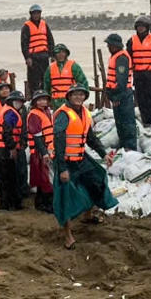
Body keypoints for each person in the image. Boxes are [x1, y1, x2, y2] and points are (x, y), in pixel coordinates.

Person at [53, 84, 119, 249]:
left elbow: (90, 138)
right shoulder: (63, 115)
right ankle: (67, 235)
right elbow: (58, 143)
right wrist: (62, 169)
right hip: (65, 160)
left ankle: (87, 215)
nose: (78, 97)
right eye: (75, 94)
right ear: (69, 96)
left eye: (81, 94)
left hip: (81, 158)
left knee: (97, 179)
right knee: (65, 197)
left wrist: (103, 154)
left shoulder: (84, 113)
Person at [0, 90, 26, 211]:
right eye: (17, 102)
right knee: (9, 178)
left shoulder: (7, 111)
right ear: (11, 102)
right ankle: (11, 203)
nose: (19, 104)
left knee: (4, 178)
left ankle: (6, 203)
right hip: (4, 151)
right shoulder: (11, 113)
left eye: (20, 102)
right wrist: (13, 147)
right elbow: (7, 132)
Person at [127, 16, 151, 136]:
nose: (140, 28)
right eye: (138, 26)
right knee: (141, 100)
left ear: (147, 27)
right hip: (138, 75)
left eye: (143, 26)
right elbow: (128, 58)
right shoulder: (131, 40)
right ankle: (146, 123)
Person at [25, 90, 56, 213]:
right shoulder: (34, 115)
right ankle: (45, 204)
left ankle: (40, 202)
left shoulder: (46, 112)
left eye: (45, 99)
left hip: (48, 149)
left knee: (44, 178)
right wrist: (44, 153)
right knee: (45, 179)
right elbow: (37, 137)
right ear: (35, 102)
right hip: (40, 151)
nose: (43, 101)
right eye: (39, 99)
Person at [105, 33, 137, 150]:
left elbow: (122, 80)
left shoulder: (121, 58)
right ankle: (123, 144)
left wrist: (117, 97)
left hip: (123, 94)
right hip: (117, 93)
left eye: (109, 45)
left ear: (115, 45)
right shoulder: (116, 56)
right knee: (119, 122)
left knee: (127, 121)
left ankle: (130, 146)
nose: (108, 47)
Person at [21, 4, 54, 96]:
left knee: (45, 78)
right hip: (33, 57)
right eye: (34, 13)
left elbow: (50, 40)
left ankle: (45, 97)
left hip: (44, 56)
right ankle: (34, 98)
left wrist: (52, 55)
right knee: (33, 81)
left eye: (38, 13)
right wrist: (27, 57)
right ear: (31, 14)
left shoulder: (44, 24)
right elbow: (24, 44)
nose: (36, 15)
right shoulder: (26, 26)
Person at [44, 44, 87, 109]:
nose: (61, 54)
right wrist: (48, 100)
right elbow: (46, 86)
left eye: (63, 52)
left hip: (71, 101)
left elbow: (83, 83)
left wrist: (81, 98)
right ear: (55, 55)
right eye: (58, 53)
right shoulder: (50, 68)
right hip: (55, 102)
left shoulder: (74, 66)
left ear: (66, 54)